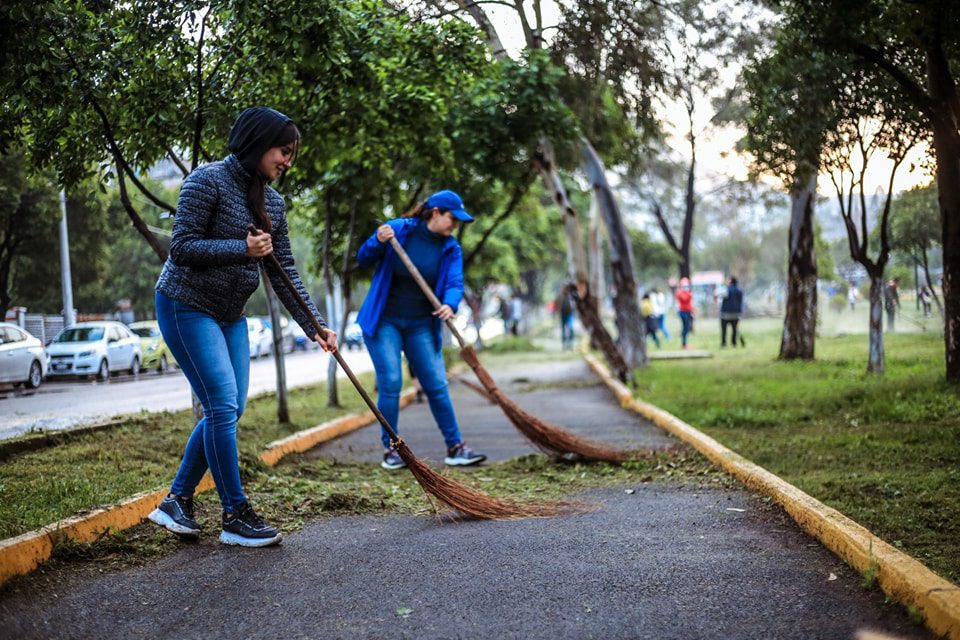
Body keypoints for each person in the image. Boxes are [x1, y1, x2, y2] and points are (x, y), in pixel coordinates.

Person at [148, 107, 337, 548]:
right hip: (185, 304)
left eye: (292, 154)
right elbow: (182, 248)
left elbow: (282, 269)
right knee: (220, 404)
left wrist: (316, 327)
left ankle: (177, 501)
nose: (288, 161)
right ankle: (235, 514)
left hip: (230, 315)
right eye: (283, 151)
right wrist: (242, 247)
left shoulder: (273, 202)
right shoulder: (205, 180)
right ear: (257, 143)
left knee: (229, 410)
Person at [356, 190, 486, 470]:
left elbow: (454, 281)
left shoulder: (450, 247)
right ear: (435, 212)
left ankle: (456, 447)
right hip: (384, 322)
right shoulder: (399, 230)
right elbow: (363, 257)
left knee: (436, 384)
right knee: (390, 382)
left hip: (420, 325)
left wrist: (450, 304)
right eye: (452, 218)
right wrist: (377, 241)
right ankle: (392, 451)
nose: (455, 225)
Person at [719, 276, 744, 348]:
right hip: (736, 314)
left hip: (726, 314)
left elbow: (719, 295)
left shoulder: (727, 290)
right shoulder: (740, 291)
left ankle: (723, 343)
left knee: (724, 329)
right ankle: (734, 343)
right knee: (734, 329)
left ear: (730, 282)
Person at [676, 277, 694, 349]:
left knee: (686, 328)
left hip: (688, 312)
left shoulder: (687, 292)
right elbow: (684, 299)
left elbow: (689, 303)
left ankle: (684, 343)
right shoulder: (680, 292)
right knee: (685, 328)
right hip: (683, 312)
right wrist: (689, 293)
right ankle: (684, 344)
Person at [556, 284, 576, 350]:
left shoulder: (571, 296)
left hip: (570, 314)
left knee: (570, 328)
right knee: (563, 329)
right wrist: (558, 313)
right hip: (563, 314)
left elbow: (574, 305)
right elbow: (558, 305)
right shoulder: (560, 296)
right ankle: (564, 344)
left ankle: (570, 344)